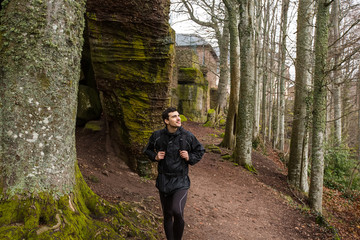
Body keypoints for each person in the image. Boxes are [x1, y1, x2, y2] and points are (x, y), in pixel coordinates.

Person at [144, 107, 205, 240]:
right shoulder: (157, 136)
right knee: (167, 214)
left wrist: (189, 157)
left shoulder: (187, 136)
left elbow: (200, 150)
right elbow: (147, 150)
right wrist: (155, 156)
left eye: (178, 116)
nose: (178, 119)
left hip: (180, 181)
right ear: (166, 121)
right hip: (163, 180)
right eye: (174, 116)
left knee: (177, 211)